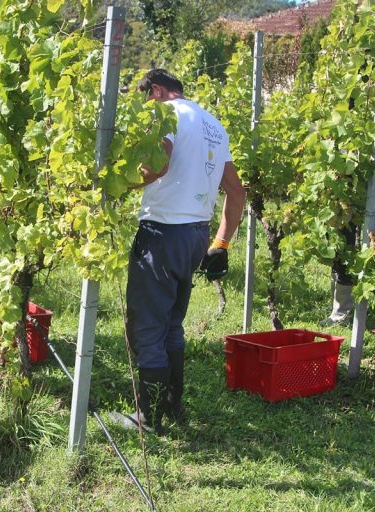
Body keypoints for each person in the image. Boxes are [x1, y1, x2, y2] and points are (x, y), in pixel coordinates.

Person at [113, 69, 246, 435]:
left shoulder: (166, 113)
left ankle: (147, 419)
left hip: (162, 233)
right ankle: (172, 407)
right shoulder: (213, 125)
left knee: (148, 327)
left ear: (156, 91)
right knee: (172, 324)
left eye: (145, 100)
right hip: (195, 235)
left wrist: (113, 184)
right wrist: (220, 244)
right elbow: (236, 192)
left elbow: (157, 166)